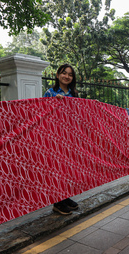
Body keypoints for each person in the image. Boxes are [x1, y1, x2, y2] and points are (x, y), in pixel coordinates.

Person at [43, 63, 79, 215]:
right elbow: (43, 114)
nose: (67, 76)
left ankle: (66, 196)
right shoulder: (50, 93)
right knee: (57, 168)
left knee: (68, 168)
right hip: (54, 137)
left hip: (70, 137)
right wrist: (54, 103)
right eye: (64, 73)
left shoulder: (74, 94)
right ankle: (58, 201)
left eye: (70, 74)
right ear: (57, 75)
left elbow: (78, 114)